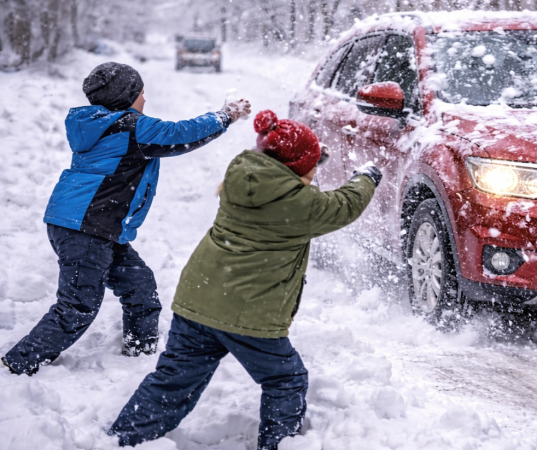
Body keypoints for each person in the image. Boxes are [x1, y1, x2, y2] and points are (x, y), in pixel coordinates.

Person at [108, 110, 381, 450]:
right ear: (297, 169)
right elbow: (344, 205)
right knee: (286, 379)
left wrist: (309, 160)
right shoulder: (301, 204)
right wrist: (366, 177)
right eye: (311, 166)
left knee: (172, 381)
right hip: (247, 313)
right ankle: (279, 444)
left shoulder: (241, 174)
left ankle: (123, 439)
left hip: (198, 299)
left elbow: (279, 170)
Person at [1, 62, 251, 376]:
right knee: (77, 307)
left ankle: (140, 354)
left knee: (140, 287)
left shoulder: (96, 124)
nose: (145, 100)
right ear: (126, 97)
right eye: (141, 94)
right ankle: (18, 364)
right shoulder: (130, 127)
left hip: (89, 226)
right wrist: (225, 114)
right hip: (88, 228)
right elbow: (180, 134)